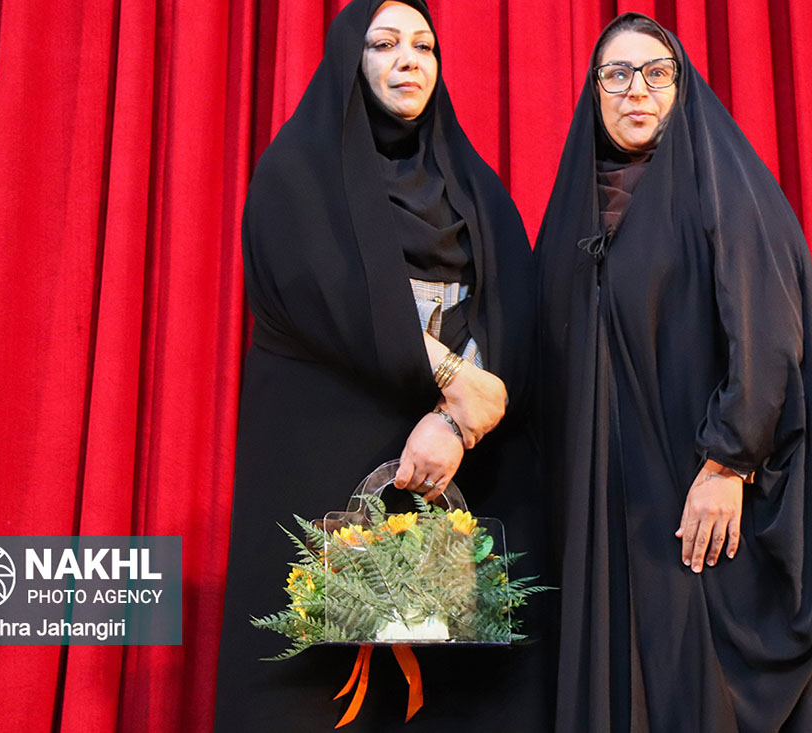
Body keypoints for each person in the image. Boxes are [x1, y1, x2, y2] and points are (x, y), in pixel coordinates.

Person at [214, 2, 549, 730]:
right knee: (320, 689)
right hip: (330, 454)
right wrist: (452, 382)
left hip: (463, 469)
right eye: (385, 44)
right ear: (350, 61)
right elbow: (331, 296)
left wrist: (454, 425)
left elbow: (517, 310)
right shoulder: (296, 176)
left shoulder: (474, 183)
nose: (409, 61)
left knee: (462, 689)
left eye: (424, 46)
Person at [536, 13, 812, 732]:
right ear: (593, 91)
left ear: (681, 86)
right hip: (605, 522)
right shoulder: (570, 212)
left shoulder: (724, 186)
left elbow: (767, 335)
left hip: (700, 506)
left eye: (657, 73)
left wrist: (728, 464)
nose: (636, 90)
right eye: (616, 75)